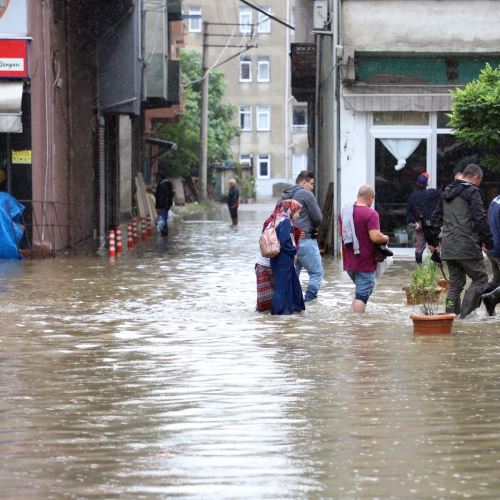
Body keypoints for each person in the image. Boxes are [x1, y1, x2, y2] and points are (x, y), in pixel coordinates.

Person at [427, 164, 493, 318]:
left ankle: (451, 318)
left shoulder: (446, 192)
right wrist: (488, 241)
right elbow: (479, 218)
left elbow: (435, 219)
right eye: (479, 181)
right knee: (480, 279)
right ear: (476, 177)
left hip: (449, 247)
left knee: (455, 285)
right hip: (467, 245)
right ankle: (465, 317)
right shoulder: (473, 191)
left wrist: (434, 243)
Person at [339, 185, 389, 313]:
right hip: (364, 262)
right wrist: (385, 237)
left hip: (349, 261)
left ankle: (353, 316)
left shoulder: (345, 212)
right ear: (370, 198)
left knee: (362, 291)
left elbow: (341, 233)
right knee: (363, 293)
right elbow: (375, 237)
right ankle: (358, 324)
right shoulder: (371, 213)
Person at [280, 171, 324, 302]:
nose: (312, 187)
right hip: (305, 240)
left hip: (289, 242)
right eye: (311, 184)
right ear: (303, 182)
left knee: (294, 274)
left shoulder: (284, 195)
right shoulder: (306, 194)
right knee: (317, 273)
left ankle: (290, 301)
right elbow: (318, 218)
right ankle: (309, 301)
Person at [268, 199, 305, 315]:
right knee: (282, 287)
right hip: (283, 259)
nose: (298, 216)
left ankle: (293, 308)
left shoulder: (279, 219)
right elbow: (284, 241)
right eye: (298, 212)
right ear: (291, 210)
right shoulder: (285, 221)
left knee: (292, 284)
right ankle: (280, 313)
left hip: (281, 259)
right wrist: (294, 250)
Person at [406, 172, 441, 264]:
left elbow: (409, 211)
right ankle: (436, 266)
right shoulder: (434, 193)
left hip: (419, 224)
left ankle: (418, 267)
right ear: (427, 184)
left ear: (417, 183)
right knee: (434, 245)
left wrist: (414, 222)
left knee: (419, 246)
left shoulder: (412, 196)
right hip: (432, 224)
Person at [481, 194, 500, 315]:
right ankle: (491, 298)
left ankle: (479, 299)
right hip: (498, 248)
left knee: (496, 280)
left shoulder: (495, 200)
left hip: (491, 247)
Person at [155, 172, 174, 237]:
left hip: (162, 205)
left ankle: (164, 232)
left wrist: (158, 207)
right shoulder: (168, 184)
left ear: (160, 177)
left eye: (157, 177)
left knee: (162, 219)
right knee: (164, 218)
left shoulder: (161, 185)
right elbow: (171, 195)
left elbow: (160, 197)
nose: (156, 178)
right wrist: (169, 204)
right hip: (167, 205)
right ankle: (164, 232)